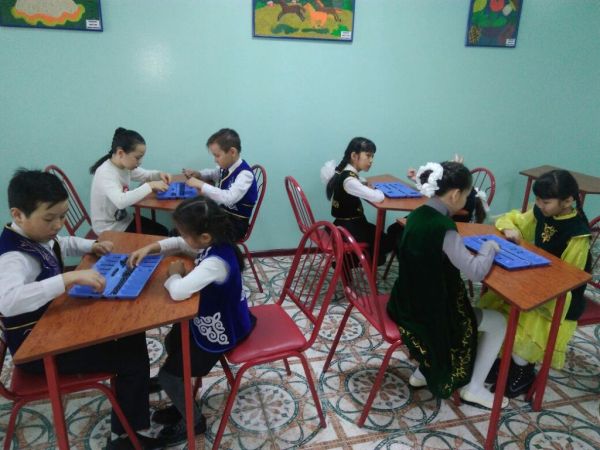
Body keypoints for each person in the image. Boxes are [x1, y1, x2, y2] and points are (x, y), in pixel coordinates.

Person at [0, 169, 160, 450]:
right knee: (130, 358)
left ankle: (134, 391)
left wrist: (93, 245)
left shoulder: (37, 235)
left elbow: (61, 243)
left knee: (132, 335)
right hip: (37, 351)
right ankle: (125, 439)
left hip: (51, 327)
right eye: (50, 218)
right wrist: (68, 278)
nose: (58, 225)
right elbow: (8, 301)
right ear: (18, 215)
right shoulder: (13, 257)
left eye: (62, 216)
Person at [127, 197, 256, 445]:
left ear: (204, 237)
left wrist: (174, 275)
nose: (181, 237)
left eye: (185, 233)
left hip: (223, 331)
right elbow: (180, 243)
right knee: (173, 340)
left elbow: (178, 292)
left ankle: (194, 421)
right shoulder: (214, 243)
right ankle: (181, 399)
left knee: (169, 377)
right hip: (217, 319)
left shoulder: (216, 262)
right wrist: (150, 248)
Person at [386, 161, 508, 409]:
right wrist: (489, 247)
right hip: (431, 315)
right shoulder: (443, 227)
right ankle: (474, 388)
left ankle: (423, 372)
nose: (467, 200)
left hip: (404, 302)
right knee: (499, 322)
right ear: (455, 195)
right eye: (467, 195)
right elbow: (475, 272)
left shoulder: (417, 214)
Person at [479, 169, 591, 398]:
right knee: (500, 308)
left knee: (527, 324)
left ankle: (522, 370)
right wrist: (510, 229)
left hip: (558, 297)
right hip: (534, 281)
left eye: (545, 202)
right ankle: (502, 360)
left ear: (568, 201)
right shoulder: (541, 211)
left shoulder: (577, 234)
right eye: (537, 200)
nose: (539, 205)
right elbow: (515, 220)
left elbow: (570, 278)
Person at [320, 137, 393, 265]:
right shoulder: (350, 181)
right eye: (368, 156)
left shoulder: (343, 172)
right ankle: (353, 262)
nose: (371, 160)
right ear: (354, 156)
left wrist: (363, 183)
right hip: (349, 229)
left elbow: (358, 181)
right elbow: (378, 197)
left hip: (345, 224)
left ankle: (353, 260)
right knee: (385, 242)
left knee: (379, 238)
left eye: (372, 157)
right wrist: (380, 190)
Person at [89, 127, 171, 236]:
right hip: (108, 229)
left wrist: (159, 174)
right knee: (162, 233)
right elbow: (121, 201)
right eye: (137, 158)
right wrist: (150, 185)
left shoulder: (124, 166)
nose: (140, 162)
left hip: (123, 220)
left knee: (162, 231)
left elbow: (145, 175)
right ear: (121, 153)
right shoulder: (105, 173)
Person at [183, 128, 258, 241]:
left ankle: (196, 249)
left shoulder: (245, 175)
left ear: (232, 152)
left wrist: (201, 185)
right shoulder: (227, 167)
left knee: (194, 231)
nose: (215, 160)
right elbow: (214, 173)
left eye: (217, 156)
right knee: (190, 222)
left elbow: (229, 198)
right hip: (223, 215)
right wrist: (199, 174)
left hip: (235, 225)